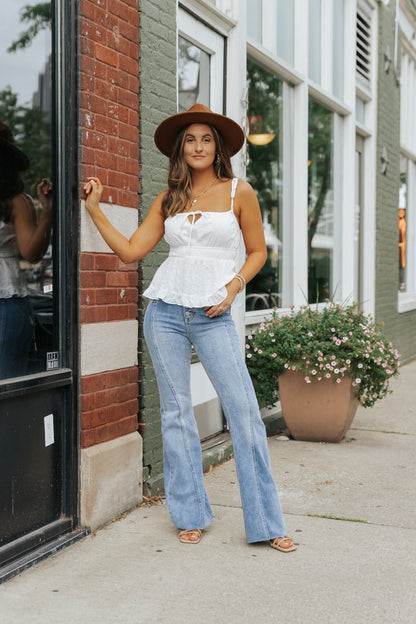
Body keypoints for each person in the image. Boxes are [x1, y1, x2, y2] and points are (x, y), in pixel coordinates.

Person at [84, 103, 296, 552]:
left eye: (206, 139)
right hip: (164, 311)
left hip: (214, 313)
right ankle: (190, 513)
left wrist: (234, 287)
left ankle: (267, 521)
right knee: (177, 415)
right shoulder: (168, 199)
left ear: (217, 148)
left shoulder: (241, 192)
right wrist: (95, 209)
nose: (198, 146)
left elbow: (256, 252)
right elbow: (130, 251)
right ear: (181, 149)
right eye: (190, 140)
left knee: (244, 413)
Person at [0, 121, 53, 379]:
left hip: (5, 303)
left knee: (6, 384)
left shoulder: (17, 202)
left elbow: (31, 253)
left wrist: (48, 212)